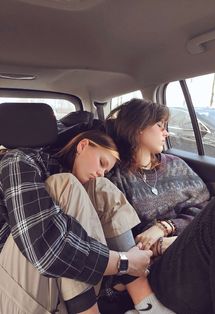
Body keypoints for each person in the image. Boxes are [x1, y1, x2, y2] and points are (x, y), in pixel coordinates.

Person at [105, 98, 215, 314]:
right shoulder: (116, 179)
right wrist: (159, 245)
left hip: (188, 250)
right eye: (160, 126)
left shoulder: (176, 165)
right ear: (138, 128)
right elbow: (123, 238)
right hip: (156, 272)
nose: (167, 133)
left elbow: (204, 209)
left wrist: (167, 227)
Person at [0, 129, 153, 314]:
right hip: (12, 288)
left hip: (51, 286)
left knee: (101, 186)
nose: (101, 173)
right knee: (66, 184)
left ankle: (147, 303)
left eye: (106, 170)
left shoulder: (87, 183)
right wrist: (125, 262)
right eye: (101, 163)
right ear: (83, 145)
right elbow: (48, 253)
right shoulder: (19, 161)